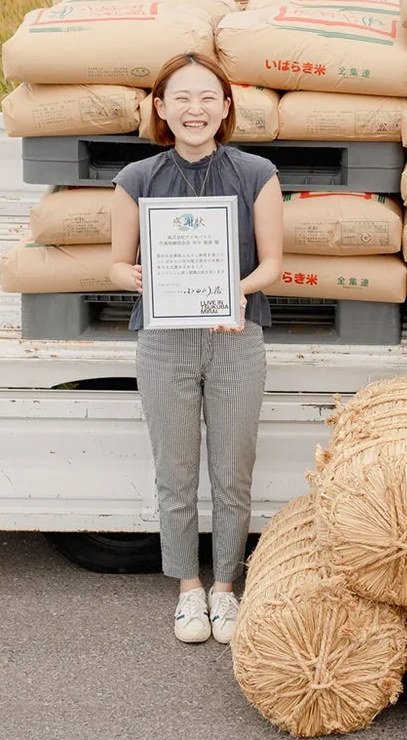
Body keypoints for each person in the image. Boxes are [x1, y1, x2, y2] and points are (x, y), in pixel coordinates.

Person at [110, 52, 284, 646]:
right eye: (181, 97)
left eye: (208, 96)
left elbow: (274, 266)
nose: (195, 109)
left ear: (227, 106)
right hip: (163, 344)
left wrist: (230, 291)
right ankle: (188, 589)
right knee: (175, 474)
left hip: (237, 337)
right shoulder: (137, 179)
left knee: (234, 472)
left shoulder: (257, 173)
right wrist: (130, 275)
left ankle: (226, 589)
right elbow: (115, 262)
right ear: (160, 108)